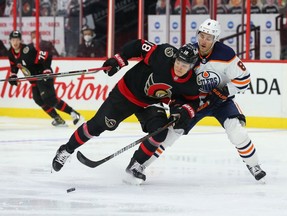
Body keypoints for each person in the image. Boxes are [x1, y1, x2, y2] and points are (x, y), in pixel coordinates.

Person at [127, 18, 266, 184]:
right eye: (202, 36)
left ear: (215, 39)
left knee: (236, 131)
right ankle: (138, 165)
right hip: (194, 102)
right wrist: (177, 106)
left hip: (221, 102)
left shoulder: (226, 55)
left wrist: (224, 91)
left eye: (208, 38)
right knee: (171, 133)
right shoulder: (188, 53)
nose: (204, 41)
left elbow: (244, 79)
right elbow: (176, 80)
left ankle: (254, 165)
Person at [51, 39, 201, 179]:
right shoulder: (164, 55)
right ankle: (66, 150)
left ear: (192, 66)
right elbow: (139, 45)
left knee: (159, 132)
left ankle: (136, 164)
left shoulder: (191, 83)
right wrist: (120, 59)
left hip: (151, 103)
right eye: (178, 62)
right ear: (175, 57)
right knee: (97, 125)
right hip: (126, 93)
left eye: (185, 65)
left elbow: (192, 101)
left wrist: (183, 111)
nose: (179, 67)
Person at [7, 30, 81, 127]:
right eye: (13, 40)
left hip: (42, 75)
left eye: (17, 40)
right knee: (38, 99)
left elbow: (47, 56)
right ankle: (57, 119)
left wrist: (46, 69)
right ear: (9, 41)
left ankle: (74, 114)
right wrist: (13, 76)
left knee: (49, 99)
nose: (15, 42)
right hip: (33, 79)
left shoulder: (27, 50)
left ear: (20, 40)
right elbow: (14, 66)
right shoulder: (10, 53)